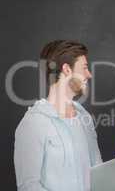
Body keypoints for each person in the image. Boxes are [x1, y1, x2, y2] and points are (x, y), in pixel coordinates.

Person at [14, 40, 102, 191]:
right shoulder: (33, 123)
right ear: (67, 69)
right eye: (85, 68)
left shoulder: (83, 117)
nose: (89, 74)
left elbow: (98, 170)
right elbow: (28, 186)